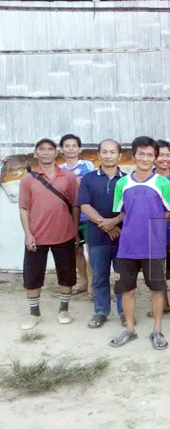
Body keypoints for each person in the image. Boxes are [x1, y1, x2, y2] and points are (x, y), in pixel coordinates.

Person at [109, 136, 170, 350]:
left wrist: (153, 229)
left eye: (150, 155)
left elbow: (169, 211)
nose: (145, 158)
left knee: (157, 290)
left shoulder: (162, 183)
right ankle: (129, 329)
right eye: (141, 154)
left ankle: (157, 330)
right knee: (126, 290)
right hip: (127, 248)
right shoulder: (122, 183)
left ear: (155, 158)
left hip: (154, 248)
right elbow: (122, 212)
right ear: (133, 156)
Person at [19, 138, 79, 330]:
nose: (46, 153)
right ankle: (34, 313)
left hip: (65, 234)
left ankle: (64, 309)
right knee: (33, 276)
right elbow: (24, 209)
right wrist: (28, 234)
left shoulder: (68, 177)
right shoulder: (28, 179)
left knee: (67, 274)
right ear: (36, 153)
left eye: (50, 149)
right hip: (37, 235)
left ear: (56, 153)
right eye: (41, 149)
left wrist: (75, 229)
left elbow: (75, 206)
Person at [78, 139, 125, 328]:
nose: (108, 155)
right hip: (97, 236)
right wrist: (105, 224)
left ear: (119, 156)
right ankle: (101, 311)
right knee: (99, 275)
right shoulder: (89, 178)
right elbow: (84, 205)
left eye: (112, 152)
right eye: (104, 152)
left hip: (122, 237)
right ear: (98, 155)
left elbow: (131, 208)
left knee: (123, 276)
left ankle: (124, 311)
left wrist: (114, 223)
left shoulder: (127, 179)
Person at [149, 139, 170, 319]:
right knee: (156, 271)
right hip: (152, 234)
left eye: (167, 155)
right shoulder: (148, 178)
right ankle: (163, 304)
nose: (164, 158)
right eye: (160, 155)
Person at [59, 134, 95, 296]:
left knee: (91, 250)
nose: (70, 149)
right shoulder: (59, 168)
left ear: (80, 149)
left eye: (74, 146)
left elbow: (83, 185)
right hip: (67, 217)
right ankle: (83, 281)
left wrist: (70, 185)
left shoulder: (87, 165)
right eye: (67, 146)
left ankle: (93, 284)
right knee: (76, 250)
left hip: (87, 216)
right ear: (61, 149)